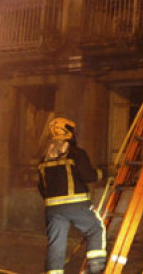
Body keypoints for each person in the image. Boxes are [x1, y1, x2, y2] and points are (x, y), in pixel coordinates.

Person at [38, 117, 106, 274]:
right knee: (96, 229)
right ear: (69, 133)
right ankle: (95, 270)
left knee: (56, 244)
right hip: (77, 205)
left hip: (52, 210)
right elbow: (89, 176)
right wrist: (105, 173)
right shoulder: (76, 154)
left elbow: (41, 187)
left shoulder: (44, 157)